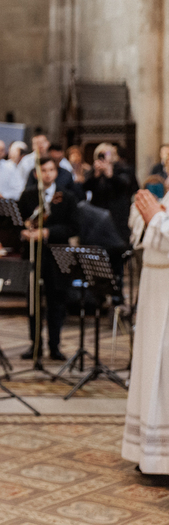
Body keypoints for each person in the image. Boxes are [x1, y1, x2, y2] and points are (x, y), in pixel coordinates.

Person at [122, 189, 169, 475]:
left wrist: (157, 220)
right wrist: (147, 217)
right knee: (151, 366)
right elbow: (144, 233)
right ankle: (151, 455)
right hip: (155, 288)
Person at [18, 158, 79, 361]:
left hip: (57, 256)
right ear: (37, 174)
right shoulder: (28, 196)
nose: (47, 174)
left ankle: (55, 345)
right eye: (43, 170)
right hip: (33, 255)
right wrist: (24, 232)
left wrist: (47, 232)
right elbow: (18, 222)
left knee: (56, 301)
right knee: (33, 301)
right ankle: (35, 344)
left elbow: (73, 227)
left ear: (56, 173)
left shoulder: (66, 197)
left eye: (51, 170)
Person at [84, 143, 138, 244]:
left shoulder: (123, 168)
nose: (104, 157)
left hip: (118, 213)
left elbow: (126, 186)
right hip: (98, 211)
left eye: (107, 153)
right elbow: (85, 187)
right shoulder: (93, 170)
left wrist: (110, 175)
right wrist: (96, 175)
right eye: (101, 154)